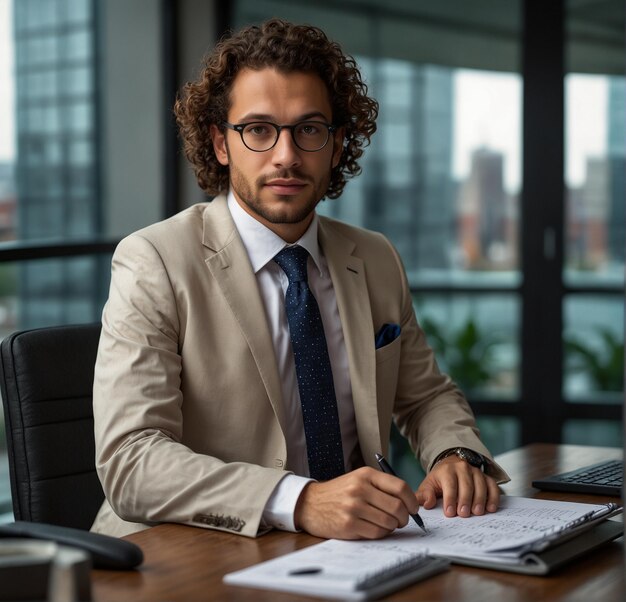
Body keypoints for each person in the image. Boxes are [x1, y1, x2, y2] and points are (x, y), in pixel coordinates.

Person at [91, 19, 509, 540]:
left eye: (309, 129)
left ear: (336, 147)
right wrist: (300, 499)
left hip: (358, 551)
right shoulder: (154, 259)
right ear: (221, 143)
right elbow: (131, 461)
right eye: (259, 130)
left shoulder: (374, 257)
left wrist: (455, 455)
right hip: (189, 555)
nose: (286, 155)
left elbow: (425, 396)